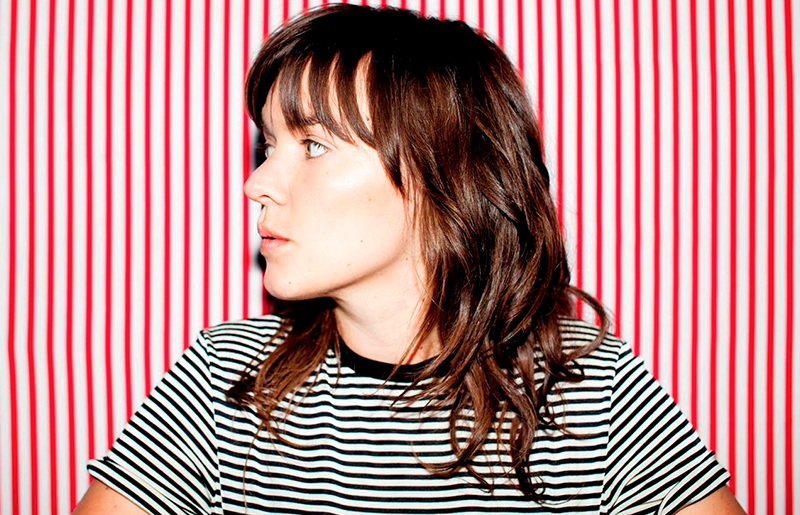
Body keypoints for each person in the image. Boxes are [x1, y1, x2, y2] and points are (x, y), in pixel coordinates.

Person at [74, 4, 745, 514]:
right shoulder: (226, 378)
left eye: (313, 146)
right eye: (269, 146)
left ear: (443, 175)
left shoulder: (592, 387)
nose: (256, 183)